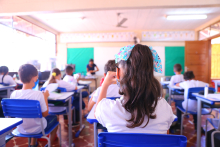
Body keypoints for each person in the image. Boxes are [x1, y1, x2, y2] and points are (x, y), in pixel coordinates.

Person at [94, 44, 174, 133]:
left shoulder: (108, 109)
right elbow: (166, 133)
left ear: (118, 73)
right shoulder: (165, 107)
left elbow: (96, 113)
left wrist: (105, 84)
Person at [10, 64, 59, 147]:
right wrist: (45, 97)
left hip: (21, 129)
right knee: (55, 119)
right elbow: (45, 114)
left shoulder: (14, 94)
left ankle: (33, 144)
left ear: (20, 79)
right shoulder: (39, 94)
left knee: (33, 118)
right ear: (34, 78)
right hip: (38, 129)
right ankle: (48, 144)